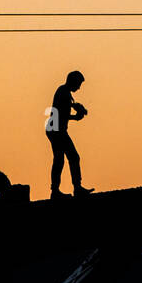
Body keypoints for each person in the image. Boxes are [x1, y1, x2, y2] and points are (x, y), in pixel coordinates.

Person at [47, 70, 94, 199]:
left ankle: (57, 190)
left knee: (61, 159)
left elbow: (66, 108)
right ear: (73, 82)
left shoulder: (64, 92)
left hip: (56, 130)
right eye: (78, 84)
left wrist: (76, 108)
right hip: (56, 131)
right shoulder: (64, 93)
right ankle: (73, 189)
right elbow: (62, 114)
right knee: (71, 158)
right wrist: (76, 117)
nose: (79, 87)